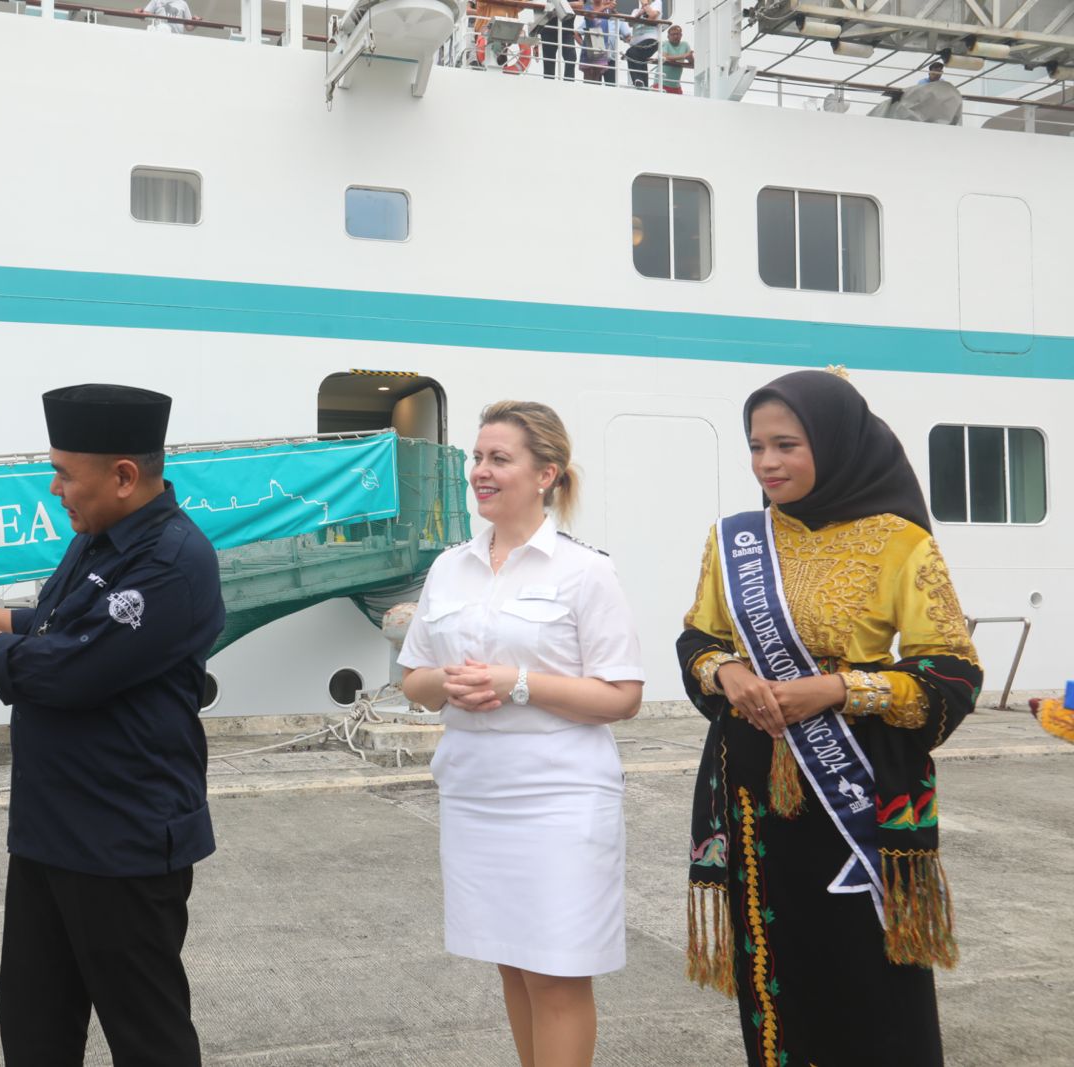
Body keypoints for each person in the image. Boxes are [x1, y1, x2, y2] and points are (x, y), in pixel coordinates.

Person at [0, 383, 225, 1067]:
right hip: (52, 833)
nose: (54, 488)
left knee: (149, 1039)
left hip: (124, 842)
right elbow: (55, 623)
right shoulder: (102, 537)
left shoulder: (171, 562)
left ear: (124, 475)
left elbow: (64, 672)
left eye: (63, 472)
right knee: (34, 1029)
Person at [676, 369, 981, 1067]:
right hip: (756, 798)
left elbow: (951, 670)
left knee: (867, 983)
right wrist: (728, 673)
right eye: (756, 447)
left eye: (787, 444)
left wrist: (840, 689)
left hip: (856, 800)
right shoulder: (736, 540)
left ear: (837, 442)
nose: (767, 463)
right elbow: (698, 638)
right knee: (778, 974)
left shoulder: (899, 542)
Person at [399, 401, 644, 1067]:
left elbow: (623, 694)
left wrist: (519, 682)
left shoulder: (584, 571)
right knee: (511, 963)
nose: (480, 470)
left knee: (556, 970)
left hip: (559, 796)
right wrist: (447, 683)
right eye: (477, 457)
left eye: (498, 458)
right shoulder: (450, 567)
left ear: (546, 475)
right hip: (476, 793)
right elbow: (413, 678)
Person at [579, 0, 629, 84]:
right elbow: (591, 16)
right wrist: (606, 6)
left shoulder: (607, 12)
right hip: (592, 43)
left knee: (598, 77)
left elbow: (619, 20)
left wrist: (613, 10)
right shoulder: (588, 7)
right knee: (590, 78)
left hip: (602, 46)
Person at [537, 0, 587, 81]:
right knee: (549, 61)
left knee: (571, 58)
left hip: (566, 30)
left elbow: (580, 5)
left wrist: (560, 5)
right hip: (548, 28)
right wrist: (566, 6)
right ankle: (548, 87)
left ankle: (568, 85)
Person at [624, 0, 662, 88]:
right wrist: (639, 13)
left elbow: (653, 16)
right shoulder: (635, 10)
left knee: (630, 53)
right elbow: (630, 23)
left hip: (651, 39)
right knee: (640, 60)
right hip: (636, 43)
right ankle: (643, 85)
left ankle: (637, 80)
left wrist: (645, 5)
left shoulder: (656, 3)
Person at [659, 23, 693, 93]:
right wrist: (684, 56)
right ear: (668, 36)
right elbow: (665, 57)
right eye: (673, 34)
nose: (675, 36)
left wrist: (690, 57)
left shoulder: (685, 45)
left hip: (676, 85)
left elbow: (692, 61)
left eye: (678, 34)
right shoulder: (665, 43)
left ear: (681, 35)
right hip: (661, 83)